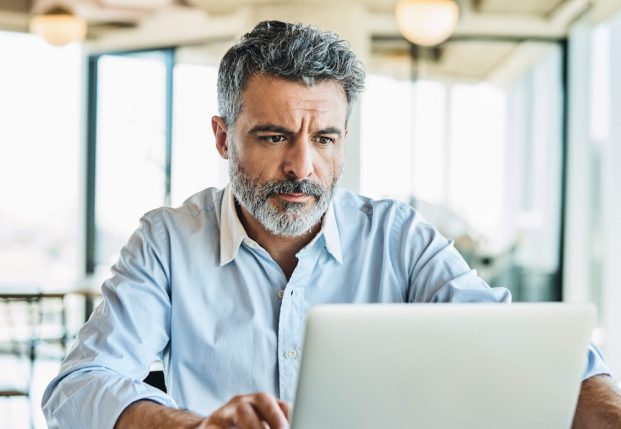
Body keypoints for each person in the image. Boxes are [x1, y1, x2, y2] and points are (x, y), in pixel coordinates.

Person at [43, 20, 620, 429]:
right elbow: (79, 386)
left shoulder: (399, 237)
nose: (302, 166)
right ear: (223, 136)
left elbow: (537, 356)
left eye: (324, 138)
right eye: (274, 137)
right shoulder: (168, 241)